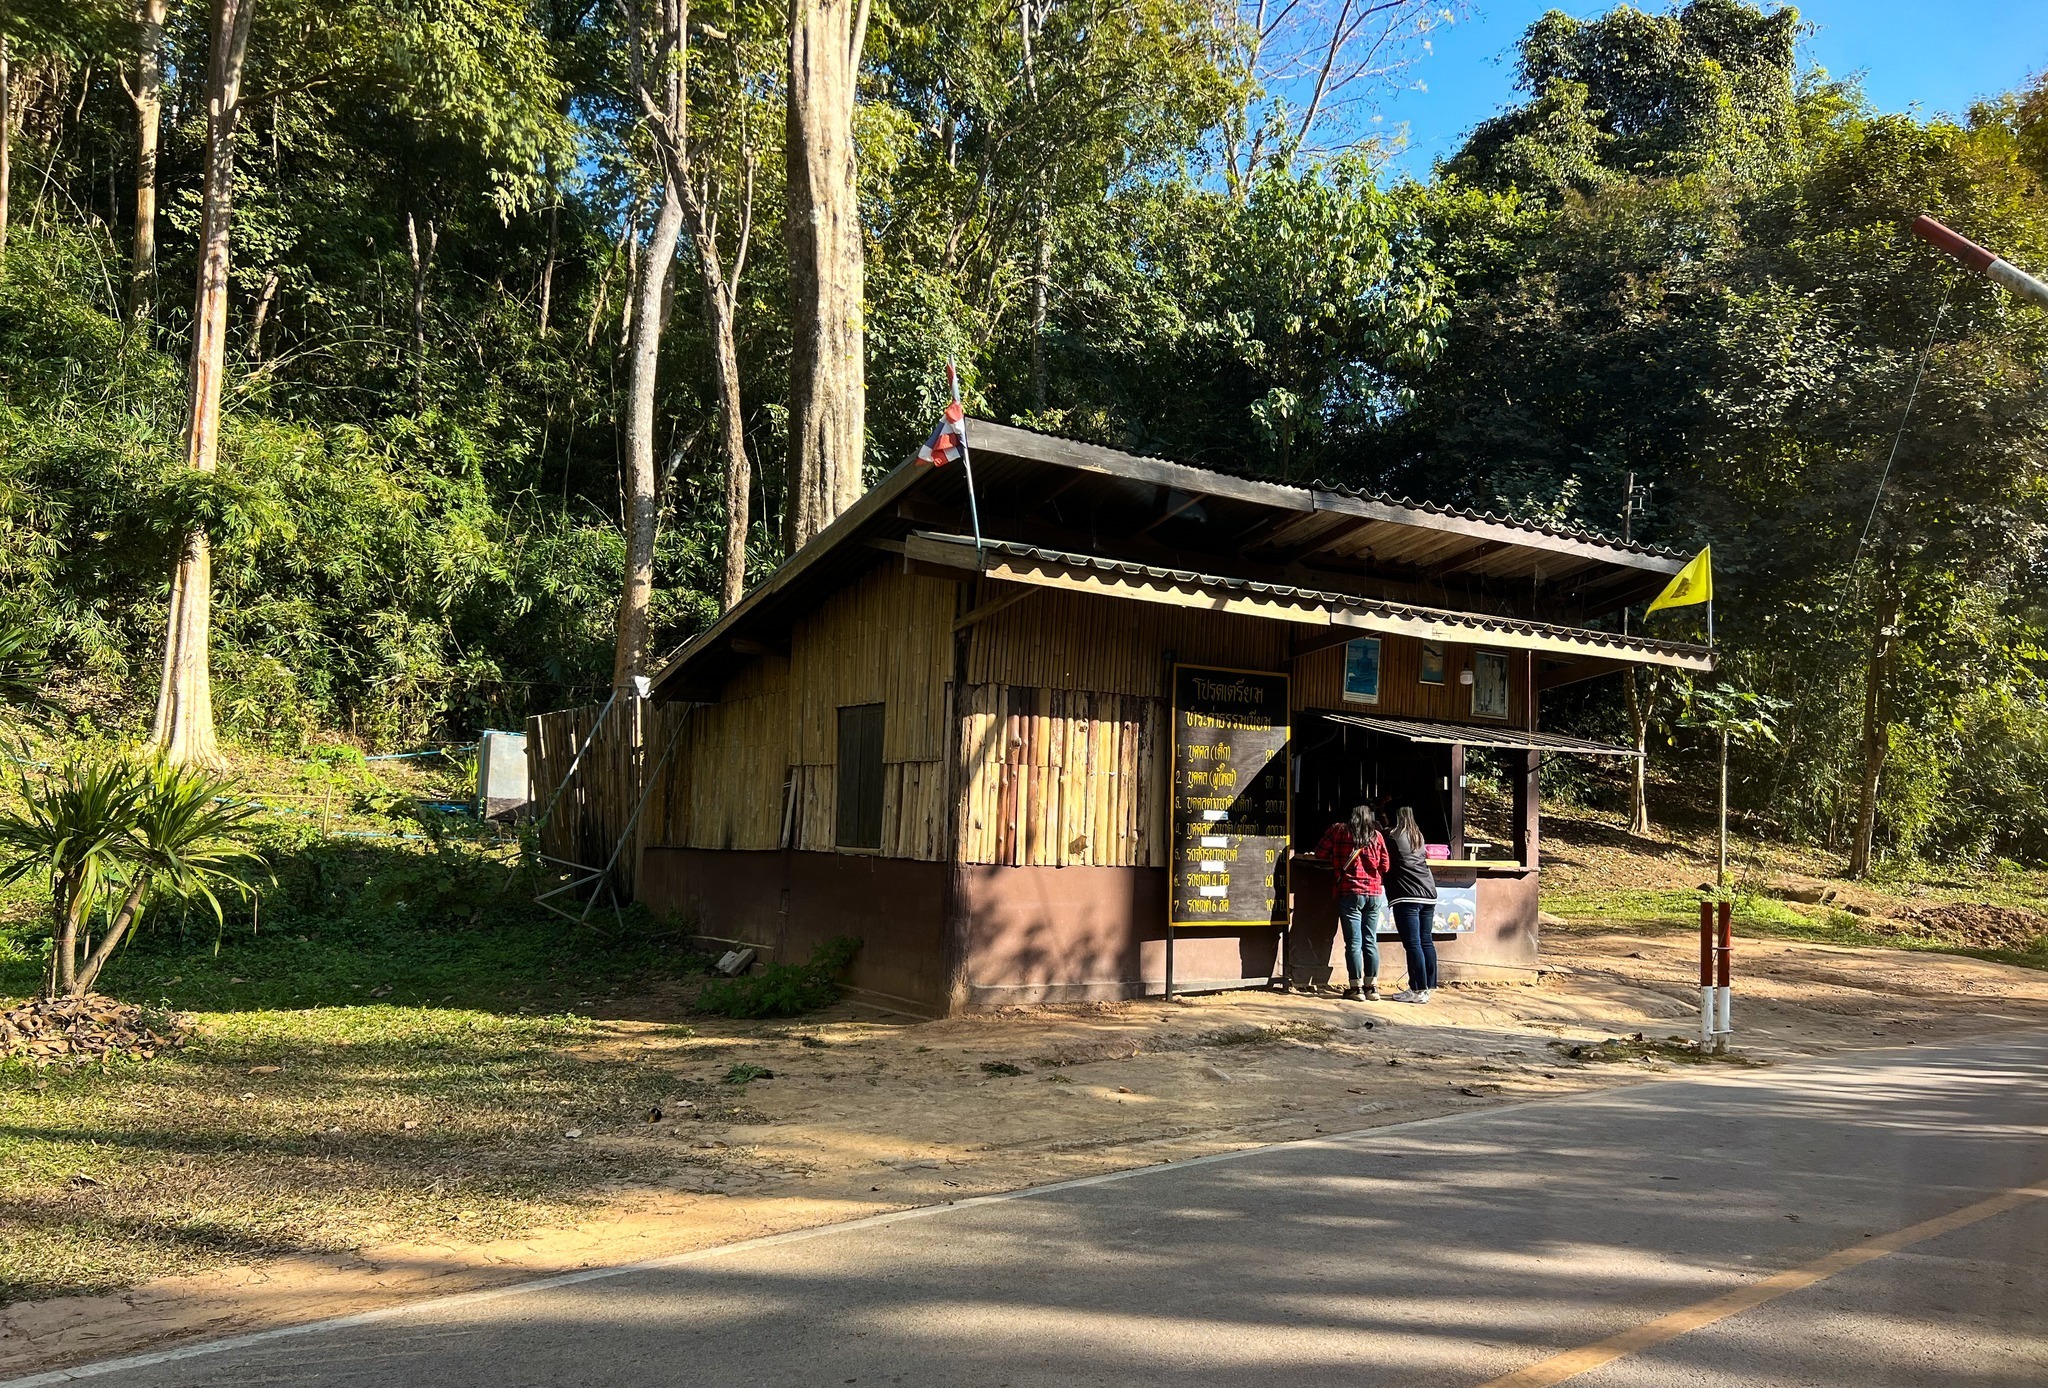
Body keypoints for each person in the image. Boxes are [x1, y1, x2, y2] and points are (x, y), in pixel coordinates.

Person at [1314, 805, 1389, 1001]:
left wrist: (1336, 858)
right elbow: (1385, 866)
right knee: (1370, 940)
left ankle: (1355, 989)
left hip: (1350, 891)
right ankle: (1372, 988)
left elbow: (1319, 853)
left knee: (1354, 943)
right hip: (1374, 893)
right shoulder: (1377, 836)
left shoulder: (1338, 830)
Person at [1383, 806, 1438, 1003]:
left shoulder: (1392, 835)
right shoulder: (1418, 836)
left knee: (1413, 943)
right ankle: (1428, 986)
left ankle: (1417, 988)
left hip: (1406, 894)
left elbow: (1383, 859)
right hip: (1429, 893)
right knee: (1426, 941)